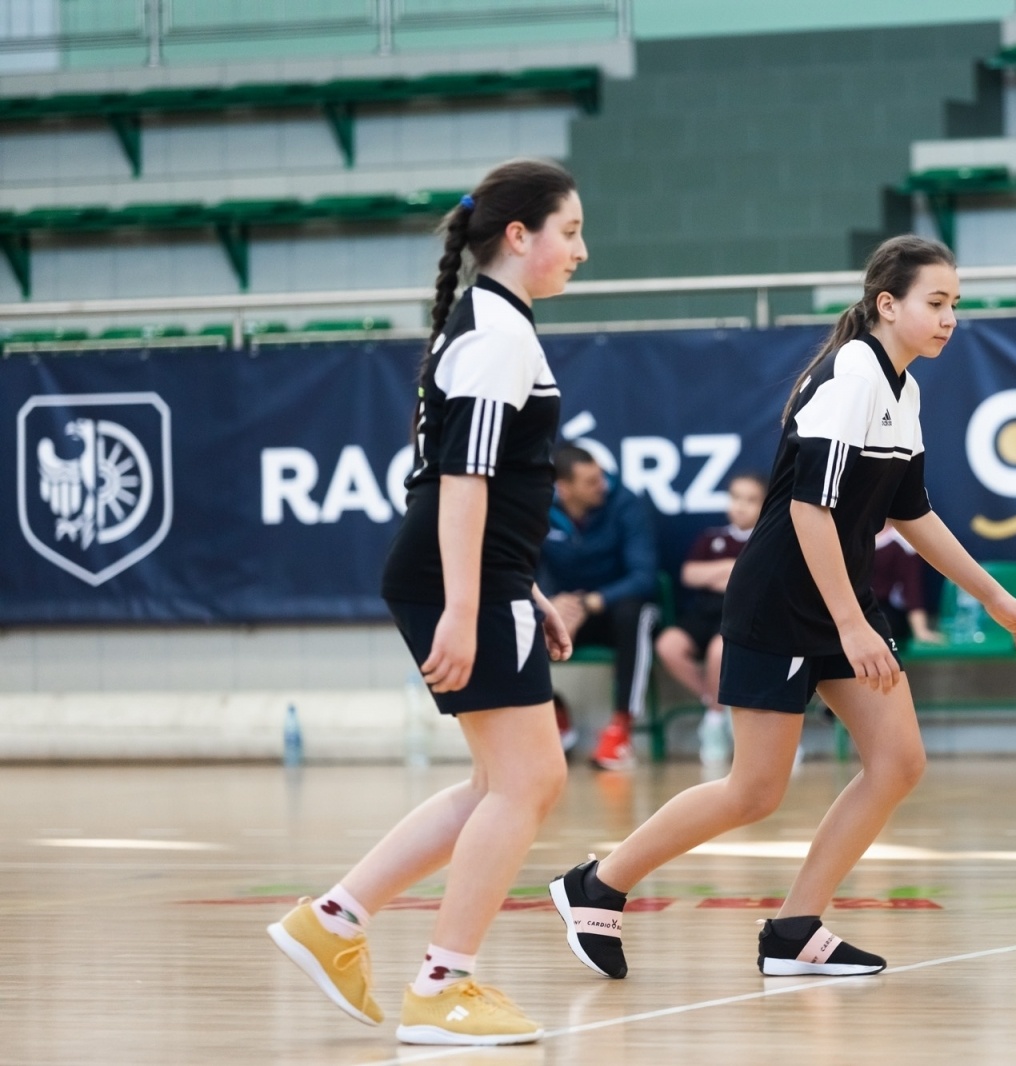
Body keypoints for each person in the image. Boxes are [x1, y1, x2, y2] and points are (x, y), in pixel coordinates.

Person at [548, 234, 1016, 980]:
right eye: (936, 303)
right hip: (784, 601)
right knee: (753, 791)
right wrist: (851, 625)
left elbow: (914, 515)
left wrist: (999, 599)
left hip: (839, 600)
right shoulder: (849, 375)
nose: (950, 319)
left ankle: (794, 929)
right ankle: (598, 884)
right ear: (888, 305)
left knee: (897, 762)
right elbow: (812, 514)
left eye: (955, 305)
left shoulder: (903, 390)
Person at [268, 159, 584, 1046]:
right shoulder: (496, 334)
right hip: (460, 574)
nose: (580, 251)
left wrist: (523, 587)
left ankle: (334, 921)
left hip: (477, 573)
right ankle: (445, 985)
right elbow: (465, 479)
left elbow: (485, 484)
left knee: (500, 781)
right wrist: (466, 601)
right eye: (570, 231)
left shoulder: (488, 325)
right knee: (531, 779)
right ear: (519, 236)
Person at [540, 445, 659, 771]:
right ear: (564, 488)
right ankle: (550, 710)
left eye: (601, 477)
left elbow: (644, 575)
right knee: (519, 616)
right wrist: (552, 604)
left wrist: (588, 602)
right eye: (591, 482)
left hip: (612, 609)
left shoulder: (625, 503)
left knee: (634, 613)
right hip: (564, 611)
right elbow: (525, 568)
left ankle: (621, 727)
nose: (601, 485)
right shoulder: (539, 509)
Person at [654, 472, 767, 763]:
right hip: (703, 613)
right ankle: (715, 702)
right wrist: (730, 567)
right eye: (736, 498)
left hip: (741, 615)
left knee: (720, 651)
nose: (741, 506)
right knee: (668, 645)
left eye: (751, 500)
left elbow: (756, 581)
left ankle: (714, 721)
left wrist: (719, 575)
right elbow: (690, 575)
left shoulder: (765, 541)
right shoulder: (711, 538)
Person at [872, 521, 943, 647]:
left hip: (885, 612)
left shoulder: (902, 542)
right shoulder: (847, 536)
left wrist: (920, 631)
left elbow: (912, 588)